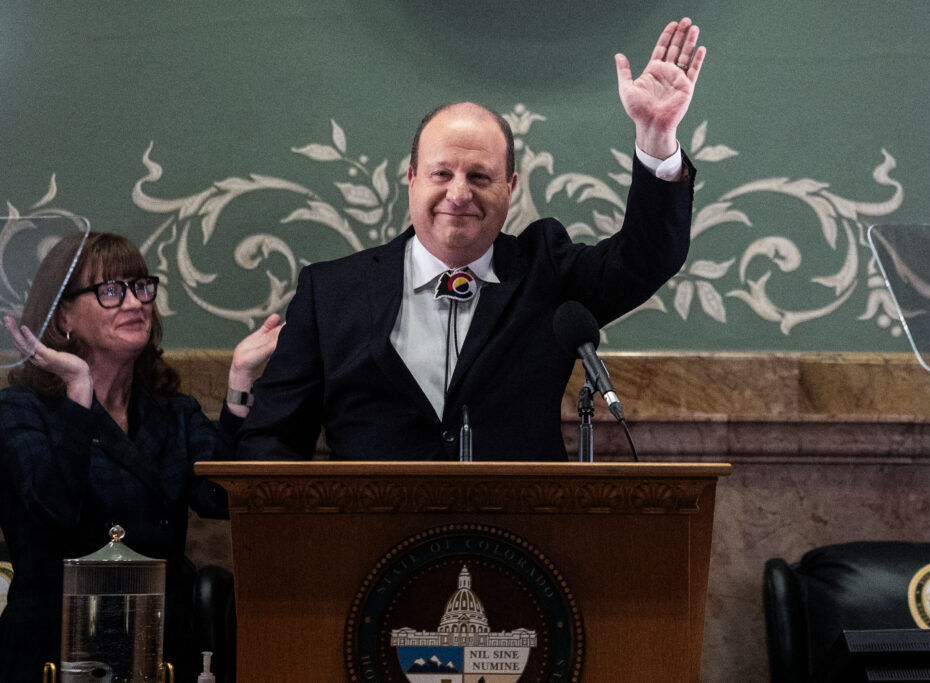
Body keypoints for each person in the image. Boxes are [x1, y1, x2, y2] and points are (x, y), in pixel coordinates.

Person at [237, 17, 706, 462]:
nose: (458, 194)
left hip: (517, 539)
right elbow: (272, 444)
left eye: (480, 176)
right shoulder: (330, 294)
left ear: (511, 188)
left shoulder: (548, 272)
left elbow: (648, 256)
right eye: (442, 173)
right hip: (375, 542)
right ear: (412, 178)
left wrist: (656, 136)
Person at [0, 232, 282, 681]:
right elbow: (54, 511)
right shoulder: (21, 411)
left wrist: (240, 377)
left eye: (140, 287)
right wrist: (79, 393)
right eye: (110, 291)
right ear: (63, 316)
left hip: (161, 648)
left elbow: (222, 498)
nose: (134, 302)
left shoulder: (172, 411)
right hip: (55, 651)